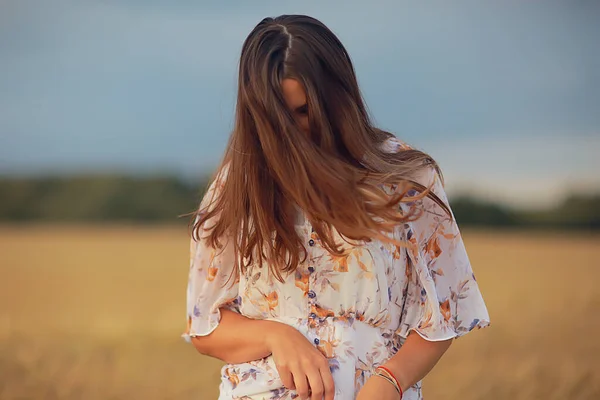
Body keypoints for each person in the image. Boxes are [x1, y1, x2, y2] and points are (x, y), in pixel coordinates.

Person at [182, 15, 490, 400]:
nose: (293, 132)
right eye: (277, 117)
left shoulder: (406, 177)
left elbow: (447, 313)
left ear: (337, 97)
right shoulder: (238, 183)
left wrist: (390, 382)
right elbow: (205, 327)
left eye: (305, 111)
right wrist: (277, 336)